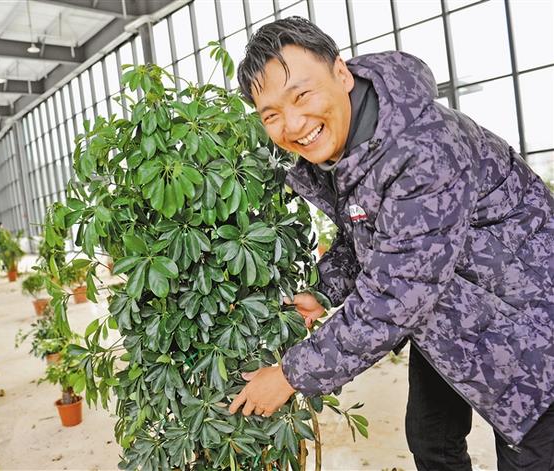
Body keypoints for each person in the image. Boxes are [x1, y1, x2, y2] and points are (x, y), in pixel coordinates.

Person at [228, 16, 554, 470]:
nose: (294, 124)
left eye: (301, 95)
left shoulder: (422, 148)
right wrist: (323, 290)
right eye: (272, 115)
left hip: (532, 329)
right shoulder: (353, 145)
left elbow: (396, 293)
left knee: (527, 453)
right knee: (432, 441)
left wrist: (289, 375)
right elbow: (367, 233)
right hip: (455, 310)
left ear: (341, 73)